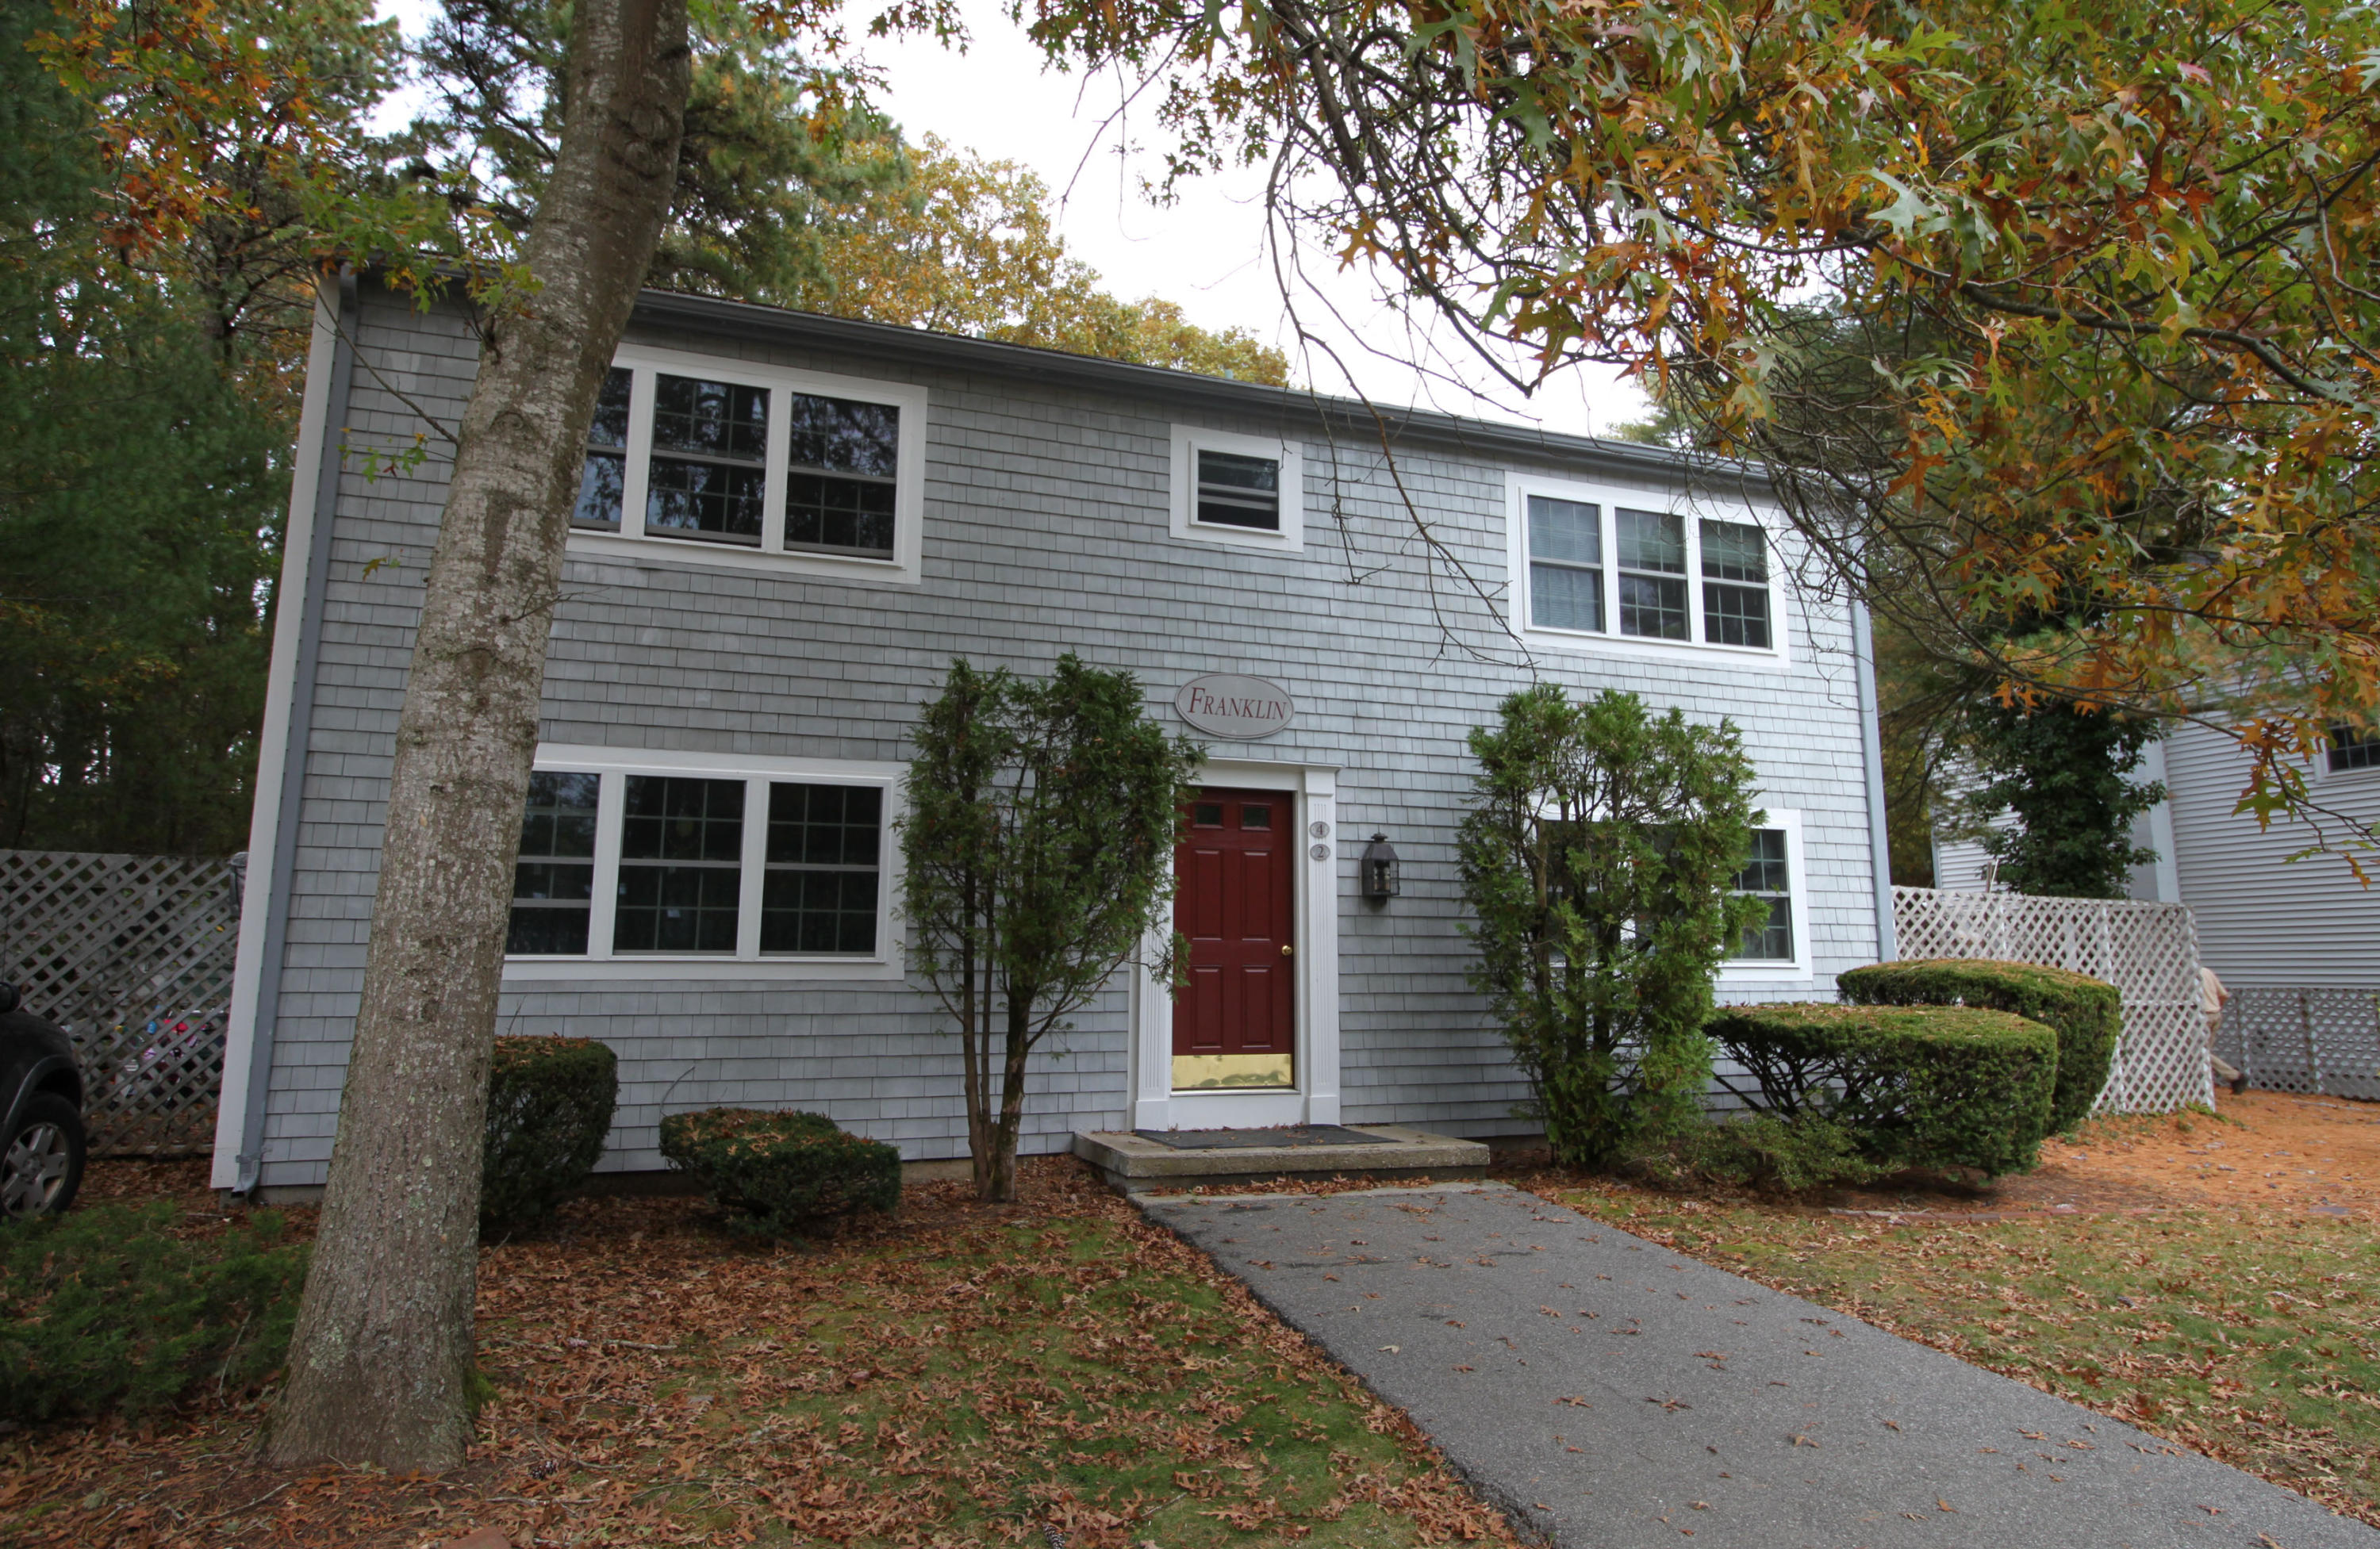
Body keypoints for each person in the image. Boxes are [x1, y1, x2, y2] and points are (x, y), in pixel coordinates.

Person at [2202, 964, 2247, 1095]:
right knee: (2203, 1052)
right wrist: (2216, 1007)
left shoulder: (2188, 975)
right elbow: (2224, 995)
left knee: (2200, 1053)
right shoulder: (2206, 971)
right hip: (2215, 1014)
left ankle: (2234, 1076)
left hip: (2202, 1016)